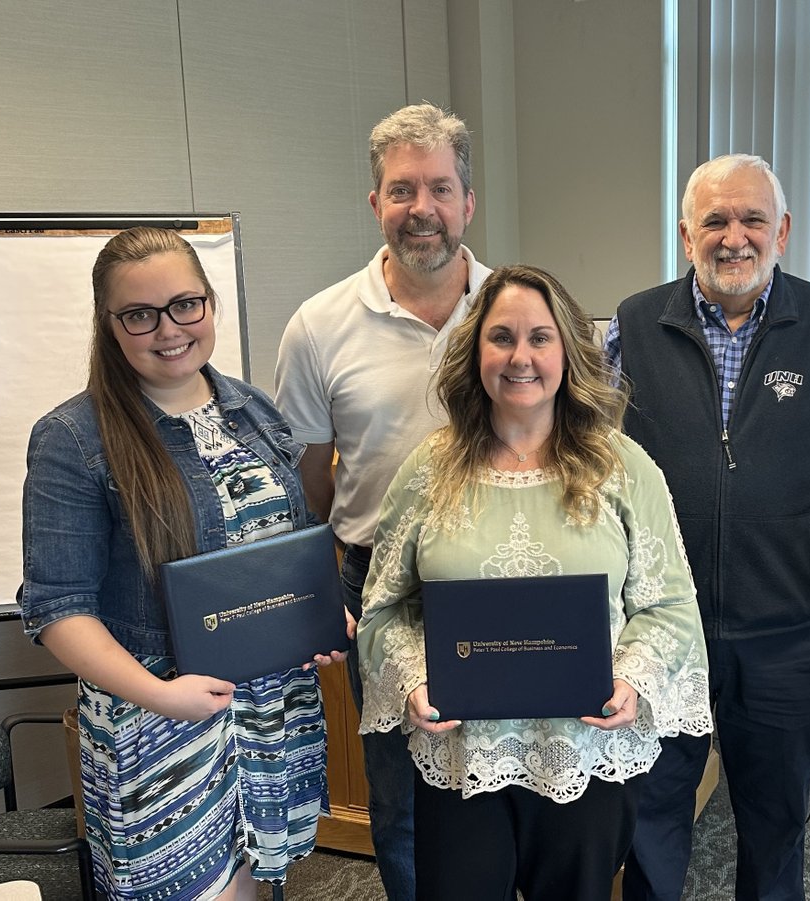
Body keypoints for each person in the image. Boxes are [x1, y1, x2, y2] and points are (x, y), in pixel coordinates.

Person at [356, 264, 713, 901]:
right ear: (476, 352)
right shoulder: (429, 470)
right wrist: (412, 680)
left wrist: (630, 679)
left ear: (568, 351)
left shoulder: (622, 466)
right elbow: (386, 608)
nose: (521, 357)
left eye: (540, 338)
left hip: (582, 750)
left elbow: (669, 605)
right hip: (463, 755)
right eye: (502, 338)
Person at [20, 226, 348, 900]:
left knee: (261, 887)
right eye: (139, 314)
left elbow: (283, 542)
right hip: (159, 720)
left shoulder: (252, 412)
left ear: (209, 304)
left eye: (185, 304)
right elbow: (58, 610)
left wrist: (319, 613)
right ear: (108, 324)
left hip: (268, 713)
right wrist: (162, 695)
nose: (167, 328)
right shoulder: (73, 439)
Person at [606, 153, 810, 900]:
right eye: (715, 220)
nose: (734, 236)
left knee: (774, 822)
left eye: (752, 219)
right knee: (652, 816)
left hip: (787, 631)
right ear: (685, 233)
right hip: (662, 632)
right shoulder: (633, 327)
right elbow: (591, 475)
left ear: (783, 231)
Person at [274, 101, 490, 900]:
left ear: (470, 200)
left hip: (503, 575)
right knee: (399, 796)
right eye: (403, 190)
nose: (422, 209)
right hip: (381, 585)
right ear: (375, 204)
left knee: (503, 780)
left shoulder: (515, 311)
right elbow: (308, 475)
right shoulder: (319, 325)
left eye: (440, 187)